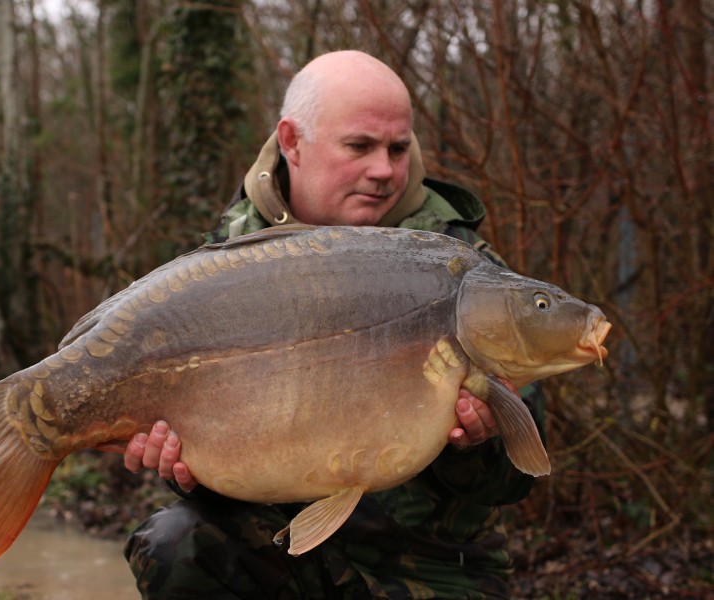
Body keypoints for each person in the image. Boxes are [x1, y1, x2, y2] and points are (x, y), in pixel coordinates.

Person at [122, 50, 545, 599]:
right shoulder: (223, 269)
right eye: (360, 146)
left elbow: (517, 477)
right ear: (292, 142)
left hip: (428, 565)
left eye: (398, 148)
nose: (385, 170)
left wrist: (476, 443)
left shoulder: (459, 266)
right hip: (276, 545)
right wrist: (176, 458)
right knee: (177, 544)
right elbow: (209, 459)